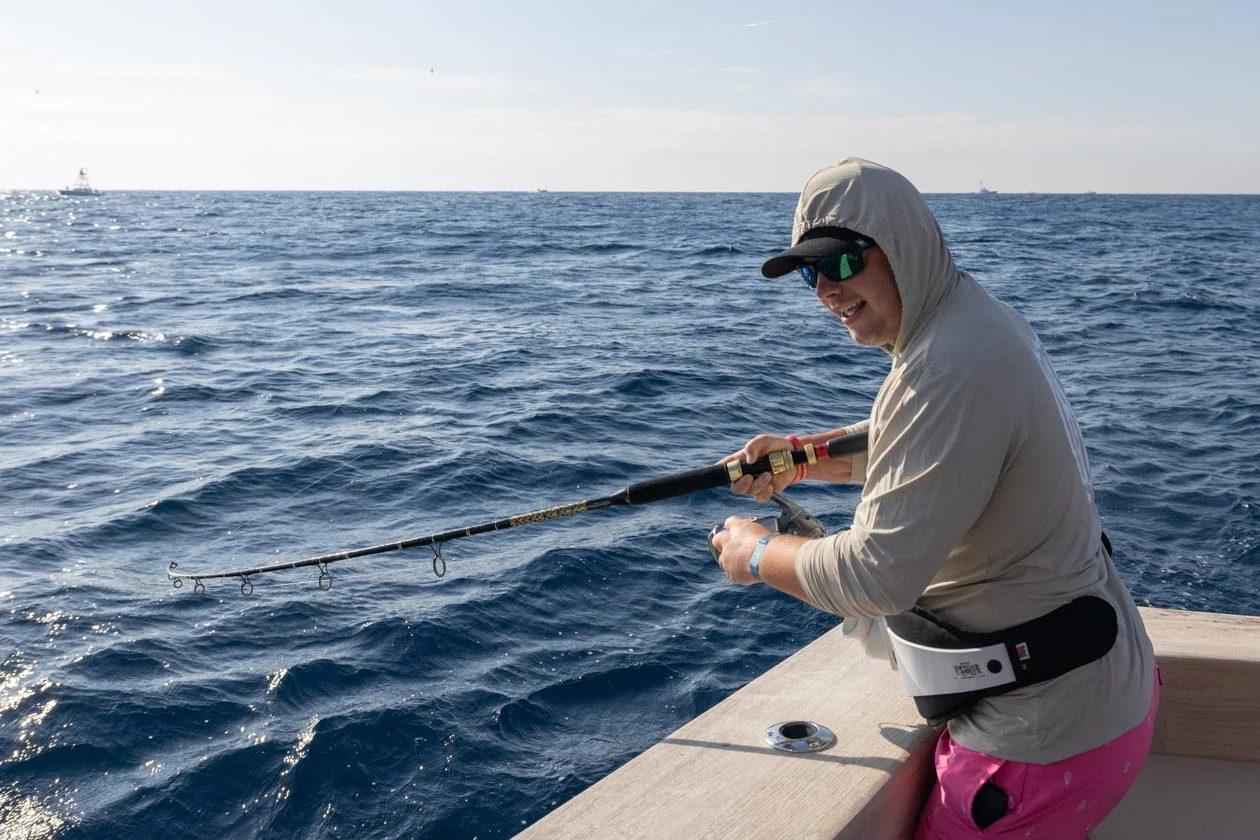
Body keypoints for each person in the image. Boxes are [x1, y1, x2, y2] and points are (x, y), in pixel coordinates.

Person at [709, 158, 1156, 839]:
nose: (826, 288)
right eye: (810, 272)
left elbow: (875, 577)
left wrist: (756, 551)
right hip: (1095, 699)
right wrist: (802, 457)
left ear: (902, 246)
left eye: (842, 262)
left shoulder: (947, 366)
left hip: (1038, 737)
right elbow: (938, 449)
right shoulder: (974, 322)